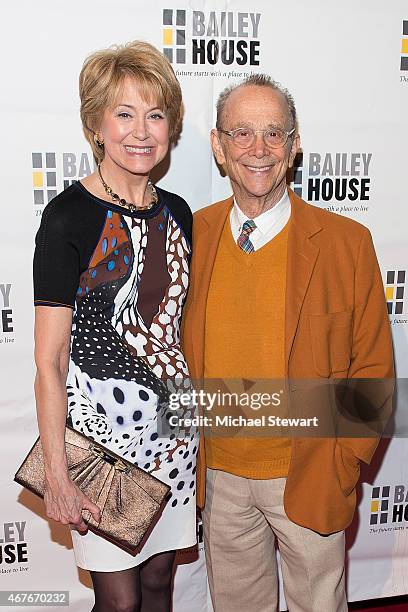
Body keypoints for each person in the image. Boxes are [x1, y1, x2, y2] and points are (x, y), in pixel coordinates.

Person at [181, 74, 393, 611]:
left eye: (274, 133)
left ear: (295, 145)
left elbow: (372, 370)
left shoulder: (346, 244)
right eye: (242, 133)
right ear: (218, 145)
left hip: (310, 472)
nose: (258, 149)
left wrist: (343, 463)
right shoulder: (191, 235)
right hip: (220, 479)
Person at [33, 41, 197, 612]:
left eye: (155, 114)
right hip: (100, 442)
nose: (142, 130)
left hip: (175, 436)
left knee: (158, 586)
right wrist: (57, 470)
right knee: (120, 601)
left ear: (171, 126)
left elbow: (174, 335)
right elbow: (50, 360)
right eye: (124, 113)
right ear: (96, 125)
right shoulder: (69, 216)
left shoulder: (178, 213)